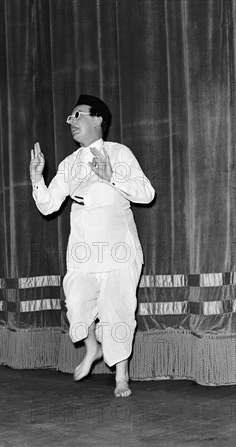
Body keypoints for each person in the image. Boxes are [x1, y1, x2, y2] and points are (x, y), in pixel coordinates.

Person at [30, 94, 155, 397]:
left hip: (118, 249)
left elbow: (146, 193)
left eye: (77, 115)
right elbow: (48, 206)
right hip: (83, 251)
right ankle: (92, 347)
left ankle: (121, 377)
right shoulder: (69, 164)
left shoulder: (118, 153)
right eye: (69, 118)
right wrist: (37, 179)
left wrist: (112, 177)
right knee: (76, 303)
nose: (71, 121)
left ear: (98, 118)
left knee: (117, 312)